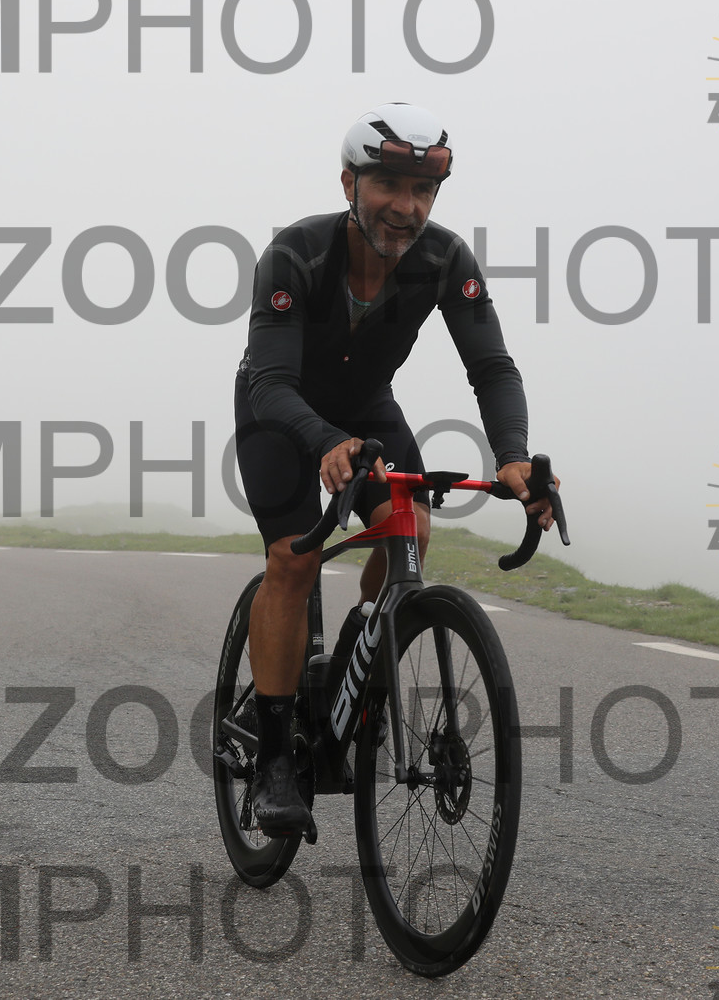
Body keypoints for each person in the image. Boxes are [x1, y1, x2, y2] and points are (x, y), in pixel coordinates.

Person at [233, 102, 556, 836]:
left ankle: (349, 661)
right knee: (294, 560)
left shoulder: (445, 260)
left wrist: (512, 457)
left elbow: (493, 367)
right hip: (279, 410)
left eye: (423, 191)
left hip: (366, 408)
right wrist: (323, 440)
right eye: (388, 186)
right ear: (350, 183)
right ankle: (275, 757)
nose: (407, 208)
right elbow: (272, 381)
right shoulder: (295, 254)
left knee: (412, 530)